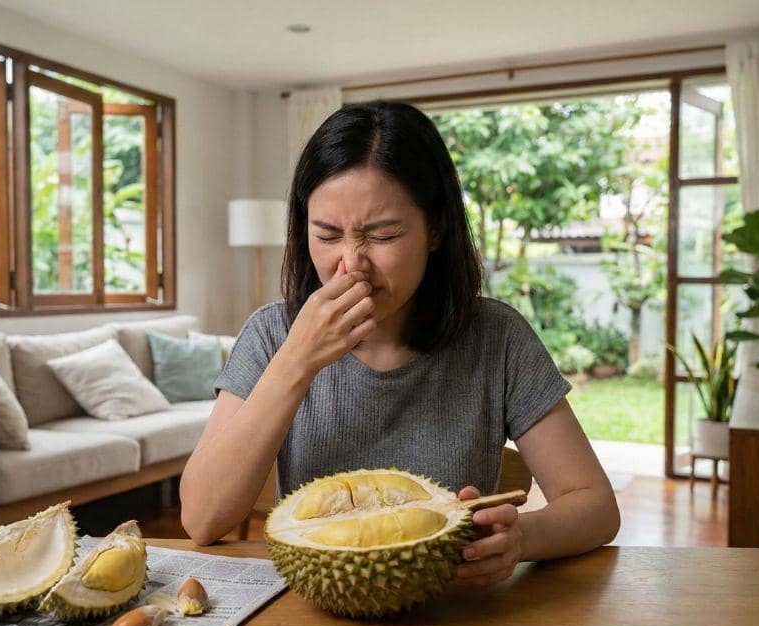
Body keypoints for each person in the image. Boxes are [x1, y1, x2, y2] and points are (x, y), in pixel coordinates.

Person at [181, 100, 619, 585]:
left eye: (383, 235)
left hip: (449, 613)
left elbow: (595, 506)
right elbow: (201, 519)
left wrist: (522, 539)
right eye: (326, 235)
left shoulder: (497, 338)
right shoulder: (270, 334)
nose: (350, 264)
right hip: (310, 614)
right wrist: (297, 360)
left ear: (436, 228)